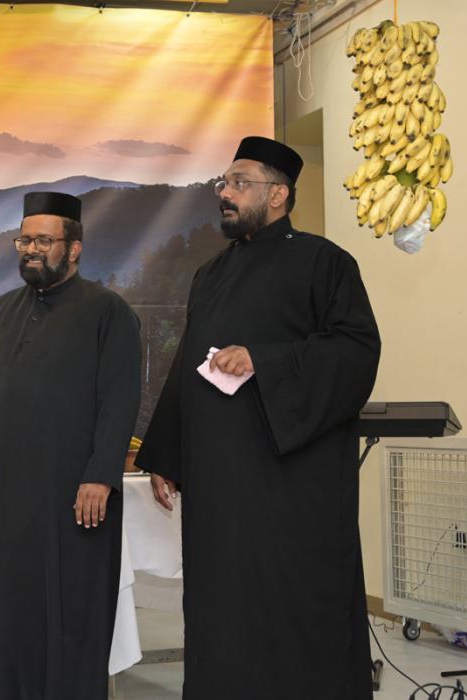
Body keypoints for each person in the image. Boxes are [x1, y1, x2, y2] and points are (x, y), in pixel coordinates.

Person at [137, 136, 381, 699]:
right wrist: (166, 454)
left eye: (239, 183)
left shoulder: (325, 263)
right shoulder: (210, 273)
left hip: (292, 487)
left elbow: (356, 352)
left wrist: (263, 361)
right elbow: (188, 366)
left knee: (292, 608)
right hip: (219, 489)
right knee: (220, 609)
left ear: (277, 194)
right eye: (223, 183)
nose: (224, 193)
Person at [0, 192, 142, 700]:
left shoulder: (108, 312)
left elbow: (120, 400)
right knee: (6, 609)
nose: (30, 250)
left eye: (44, 241)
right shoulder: (4, 310)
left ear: (74, 248)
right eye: (24, 240)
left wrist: (100, 475)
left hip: (77, 495)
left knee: (71, 614)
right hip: (9, 492)